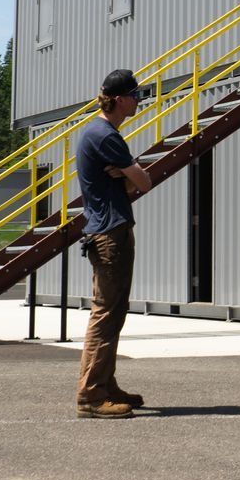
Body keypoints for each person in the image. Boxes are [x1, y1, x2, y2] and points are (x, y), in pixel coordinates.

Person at [74, 68, 154, 419]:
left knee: (114, 312)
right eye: (135, 94)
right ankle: (92, 395)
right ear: (119, 99)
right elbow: (145, 181)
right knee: (106, 314)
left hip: (110, 229)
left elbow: (134, 182)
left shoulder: (102, 133)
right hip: (110, 233)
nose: (139, 100)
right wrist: (127, 171)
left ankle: (105, 384)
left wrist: (125, 175)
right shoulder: (105, 135)